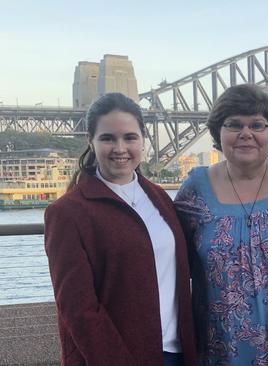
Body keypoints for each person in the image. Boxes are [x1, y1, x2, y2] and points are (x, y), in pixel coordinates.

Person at [44, 93, 197, 366]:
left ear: (143, 139)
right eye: (107, 138)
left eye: (129, 137)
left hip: (178, 353)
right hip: (117, 357)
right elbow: (77, 308)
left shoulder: (160, 198)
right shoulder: (67, 212)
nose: (120, 148)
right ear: (90, 140)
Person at [174, 84, 268, 366]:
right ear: (218, 133)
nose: (246, 134)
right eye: (234, 124)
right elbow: (165, 257)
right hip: (218, 350)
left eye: (257, 124)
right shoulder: (195, 189)